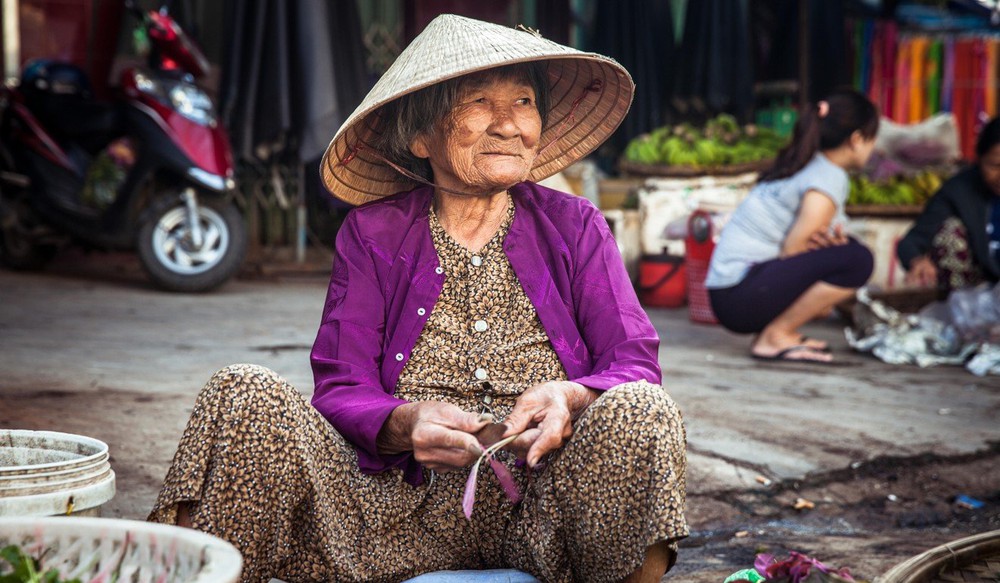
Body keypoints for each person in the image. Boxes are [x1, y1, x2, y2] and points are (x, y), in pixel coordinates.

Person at [148, 14, 688, 583]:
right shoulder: (373, 232)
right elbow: (341, 385)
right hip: (392, 516)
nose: (509, 125)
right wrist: (406, 422)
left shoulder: (575, 225)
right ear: (420, 136)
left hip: (546, 509)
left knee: (643, 409)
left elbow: (633, 363)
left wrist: (571, 395)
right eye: (479, 101)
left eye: (525, 102)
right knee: (241, 393)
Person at [705, 90, 878, 363]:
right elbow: (794, 249)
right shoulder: (829, 175)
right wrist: (822, 297)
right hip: (738, 297)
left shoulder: (802, 163)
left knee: (848, 250)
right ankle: (776, 334)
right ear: (857, 140)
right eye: (872, 139)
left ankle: (776, 331)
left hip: (729, 292)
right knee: (858, 260)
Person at [897, 117, 1000, 292]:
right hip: (979, 290)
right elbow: (913, 240)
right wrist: (917, 261)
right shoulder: (959, 190)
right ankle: (965, 314)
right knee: (950, 231)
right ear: (979, 159)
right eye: (995, 166)